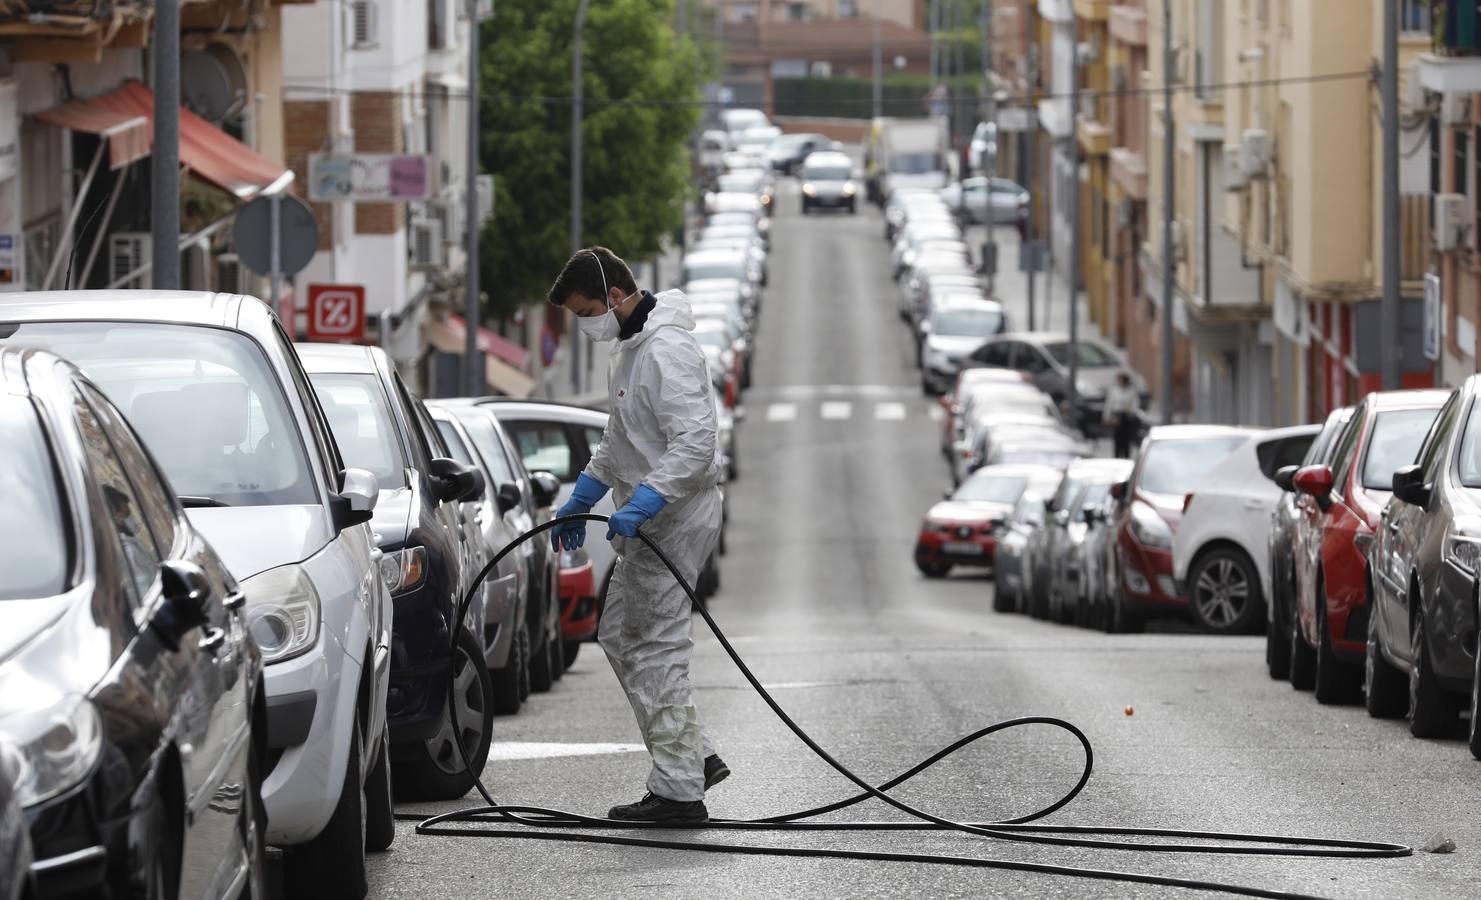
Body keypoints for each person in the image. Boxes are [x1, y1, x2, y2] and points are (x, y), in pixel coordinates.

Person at [546, 247, 727, 825]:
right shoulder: (629, 350)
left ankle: (678, 791)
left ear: (617, 296)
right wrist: (584, 495)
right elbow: (618, 439)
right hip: (652, 519)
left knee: (653, 644)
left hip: (675, 517)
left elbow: (695, 443)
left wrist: (647, 497)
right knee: (622, 635)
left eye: (586, 311)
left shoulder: (666, 350)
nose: (585, 324)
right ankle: (691, 758)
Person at [1103, 372, 1141, 459]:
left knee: (1126, 439)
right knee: (1117, 438)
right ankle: (1116, 457)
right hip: (1117, 416)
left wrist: (1131, 410)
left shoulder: (1131, 391)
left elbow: (1135, 404)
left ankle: (1126, 456)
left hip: (1127, 418)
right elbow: (1109, 404)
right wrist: (1106, 416)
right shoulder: (1114, 391)